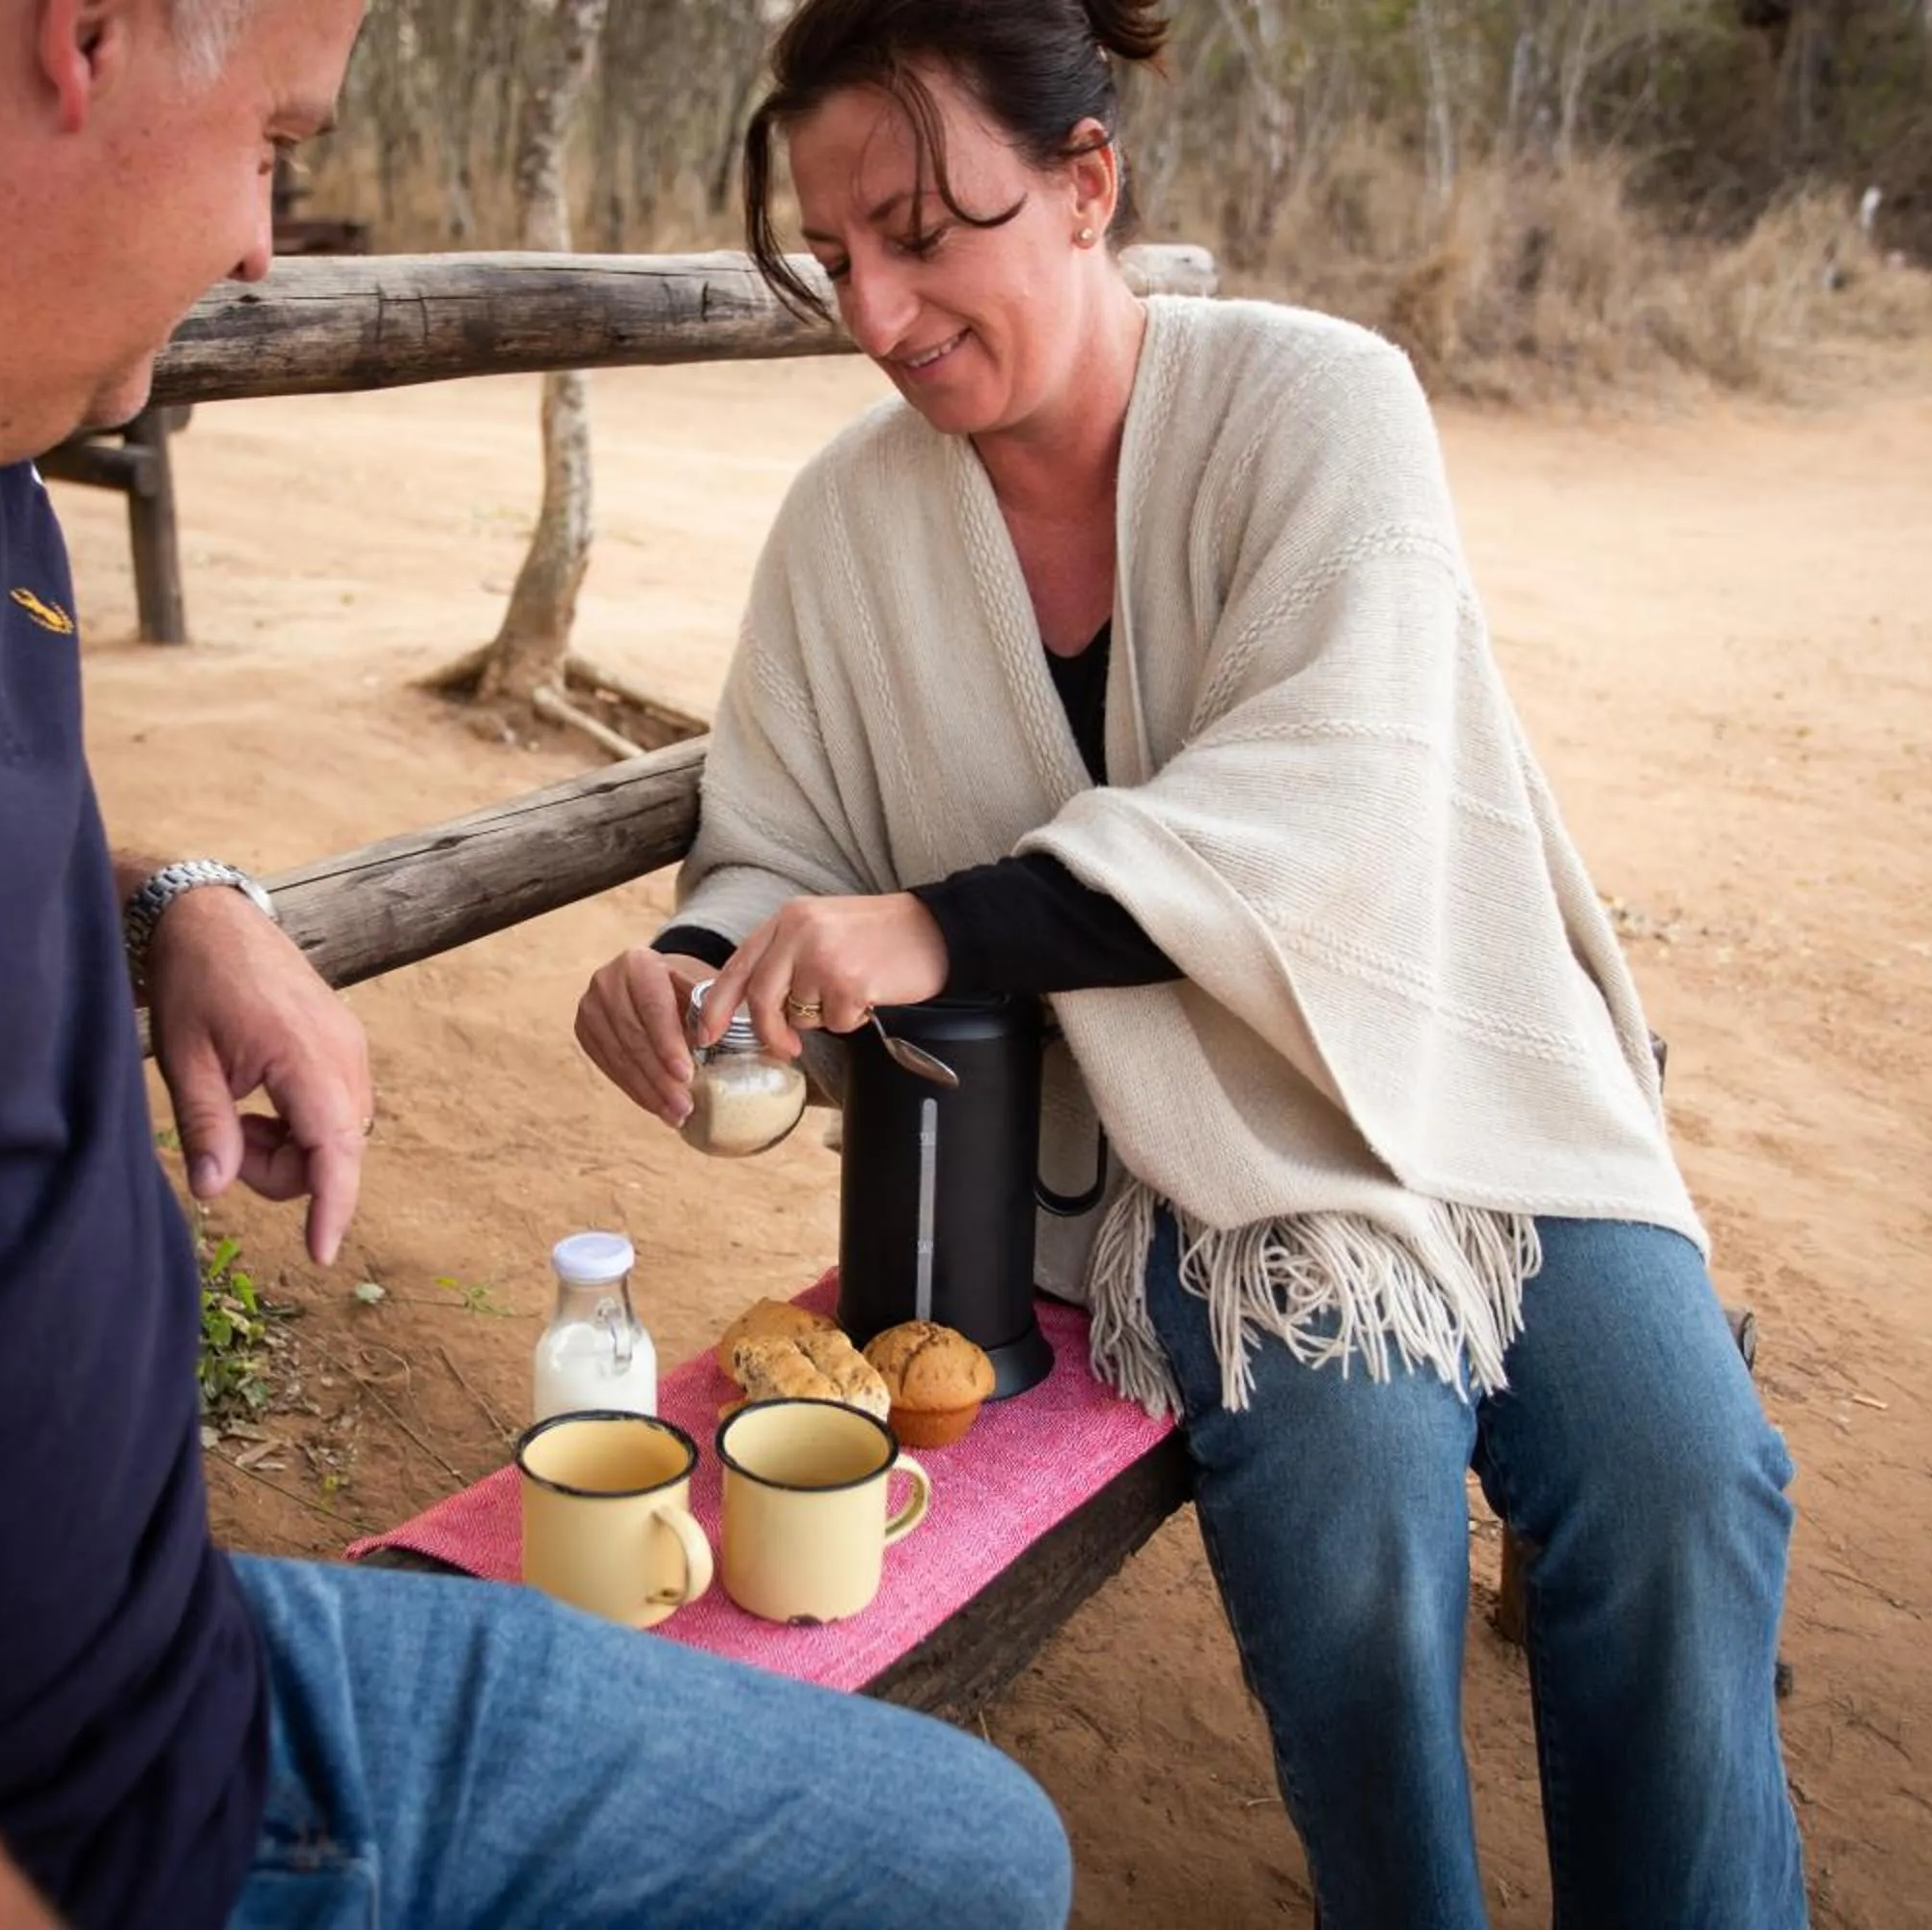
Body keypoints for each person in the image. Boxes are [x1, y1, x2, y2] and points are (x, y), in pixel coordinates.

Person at [0, 3, 1074, 1925]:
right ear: (94, 33)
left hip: (182, 1684)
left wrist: (164, 903)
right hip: (15, 1831)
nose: (256, 246)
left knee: (978, 1858)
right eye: (280, 149)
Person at [574, 1, 1806, 1924]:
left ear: (1087, 185)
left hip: (1466, 1088)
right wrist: (699, 954)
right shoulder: (845, 524)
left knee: (1681, 1479)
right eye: (837, 259)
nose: (877, 313)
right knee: (1350, 1509)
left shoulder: (1327, 404)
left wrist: (946, 923)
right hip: (1163, 1163)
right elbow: (781, 839)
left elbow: (1341, 789)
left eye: (923, 231)